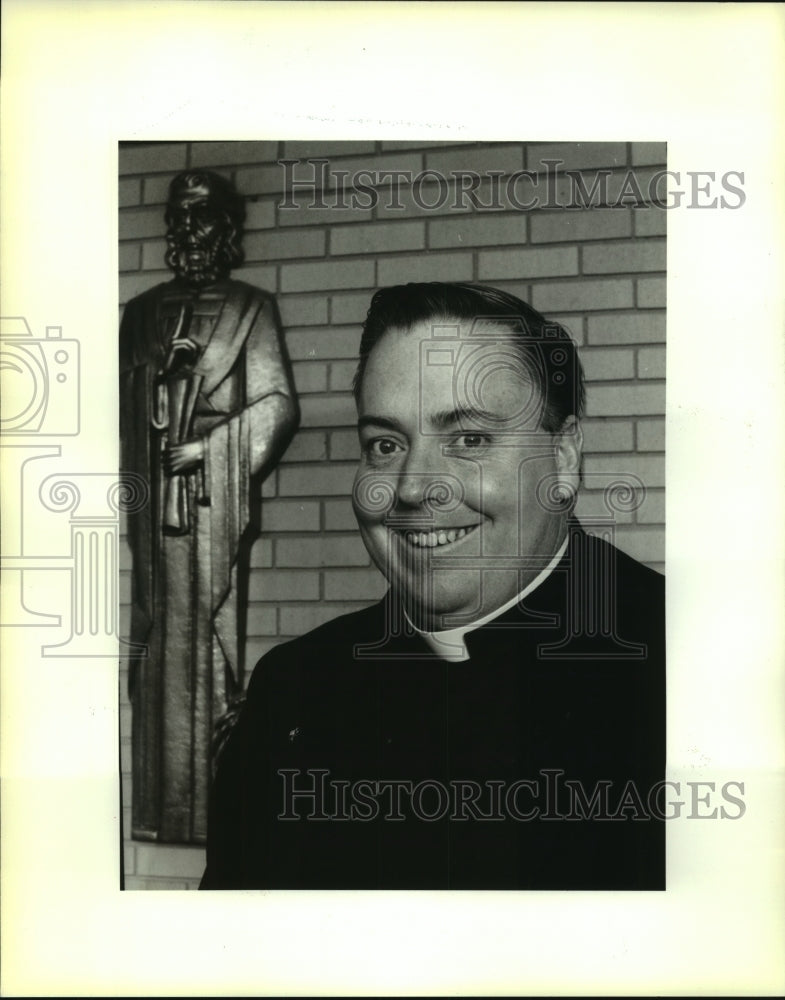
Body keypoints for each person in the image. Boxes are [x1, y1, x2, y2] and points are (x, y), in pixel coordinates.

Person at [201, 282, 665, 889]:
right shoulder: (293, 688)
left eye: (469, 439)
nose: (415, 487)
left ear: (565, 458)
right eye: (385, 444)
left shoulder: (692, 668)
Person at [120, 171, 299, 844]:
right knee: (156, 634)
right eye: (178, 217)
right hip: (151, 512)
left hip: (207, 504)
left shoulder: (250, 309)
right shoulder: (139, 314)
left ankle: (208, 802)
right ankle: (160, 804)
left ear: (225, 229)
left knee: (206, 632)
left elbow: (277, 405)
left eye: (199, 218)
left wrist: (209, 450)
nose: (185, 230)